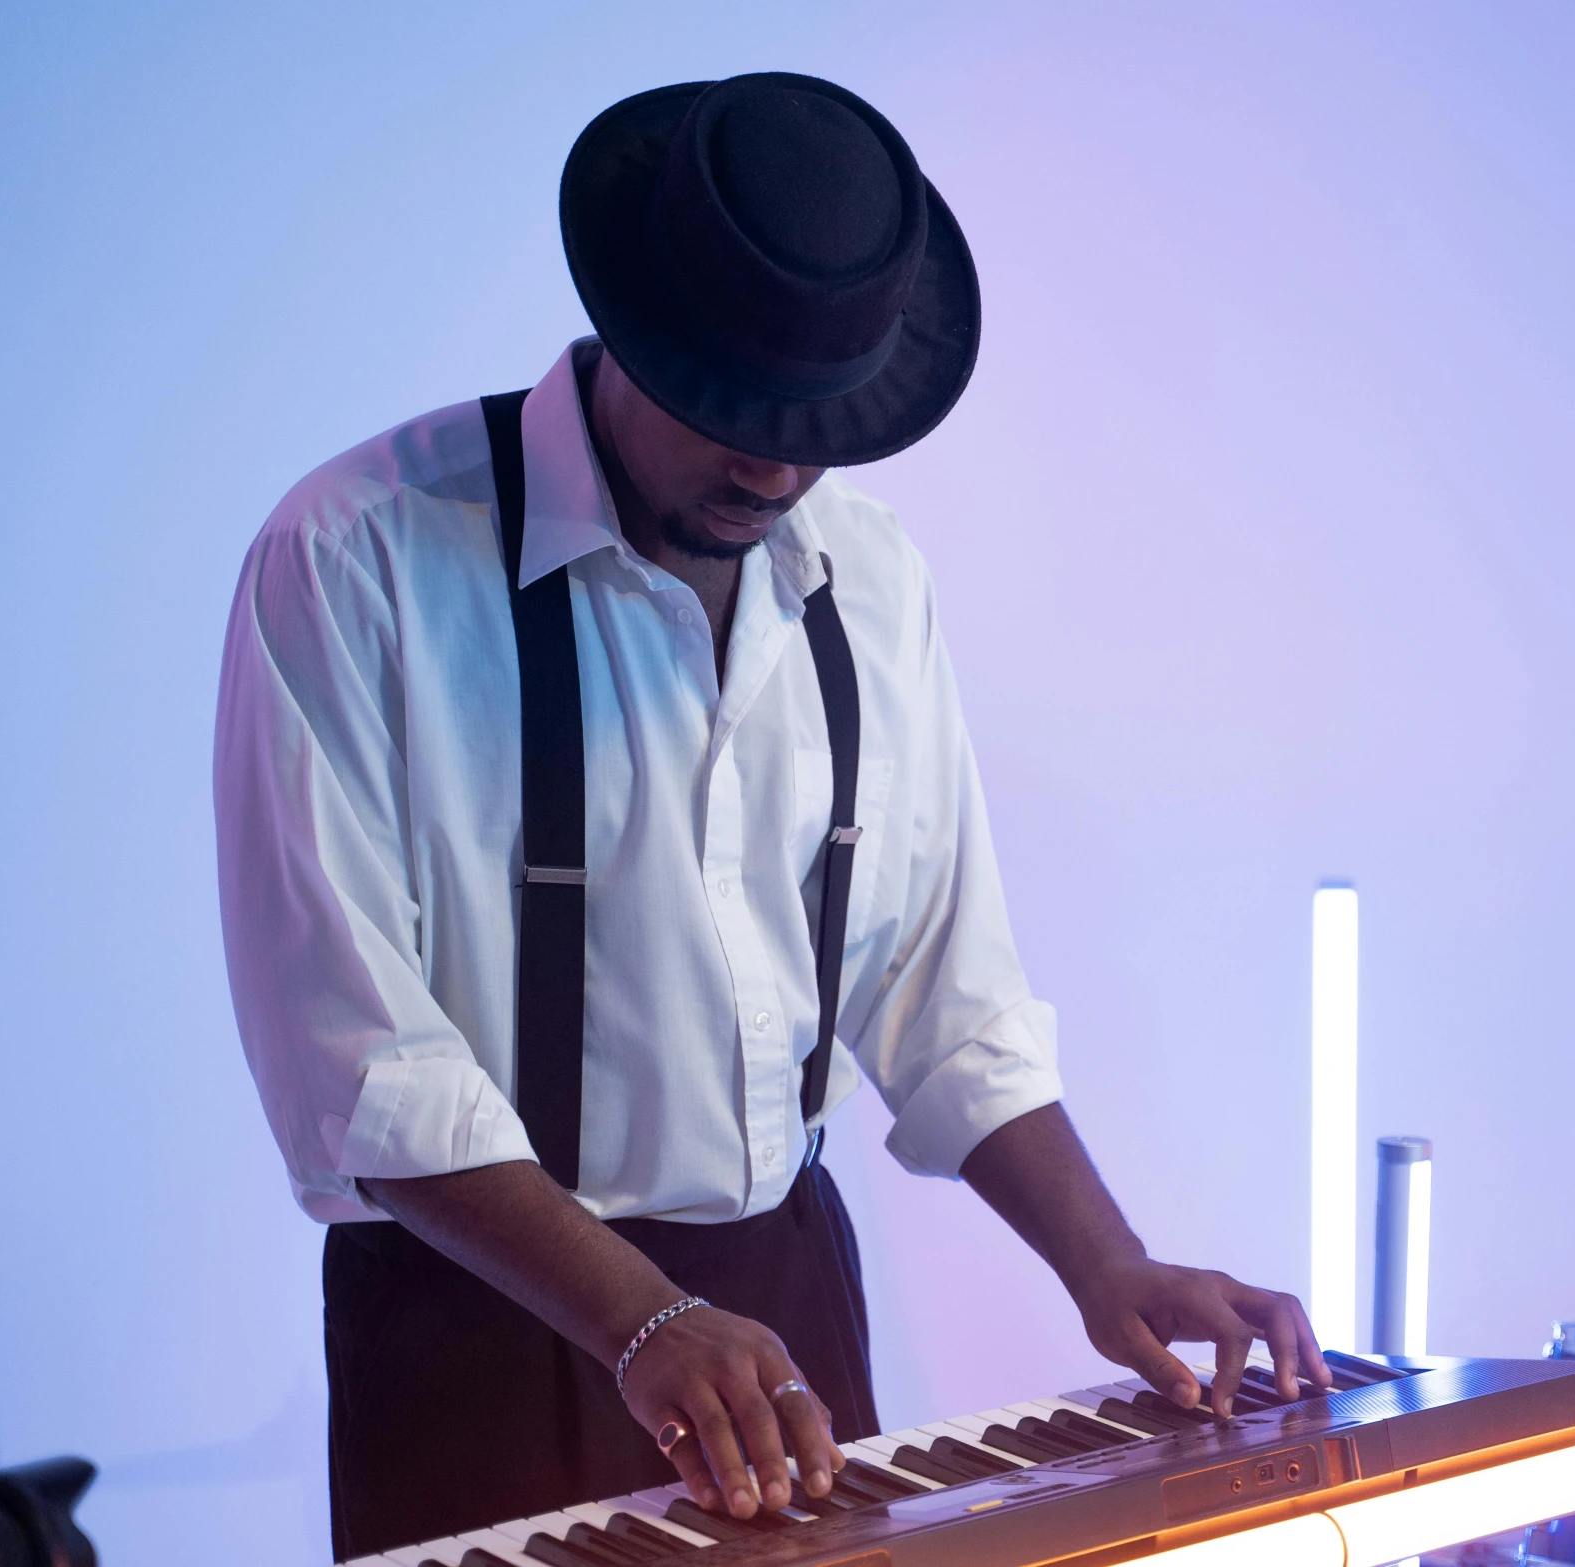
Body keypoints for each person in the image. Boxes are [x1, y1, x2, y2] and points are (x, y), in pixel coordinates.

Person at [215, 73, 1324, 1560]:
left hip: (786, 1295)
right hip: (477, 1319)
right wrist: (644, 1316)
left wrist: (1106, 1261)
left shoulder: (870, 575)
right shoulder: (356, 559)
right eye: (731, 407)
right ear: (629, 326)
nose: (772, 468)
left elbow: (943, 998)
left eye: (815, 423)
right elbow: (355, 1064)